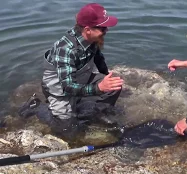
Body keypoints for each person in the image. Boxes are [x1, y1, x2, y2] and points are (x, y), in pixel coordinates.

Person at [41, 3, 124, 136]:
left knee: (114, 86)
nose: (106, 31)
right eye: (103, 28)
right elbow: (67, 87)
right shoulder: (65, 49)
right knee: (69, 131)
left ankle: (99, 114)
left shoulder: (91, 39)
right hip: (60, 88)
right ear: (88, 29)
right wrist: (99, 88)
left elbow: (98, 59)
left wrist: (107, 79)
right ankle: (37, 109)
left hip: (79, 78)